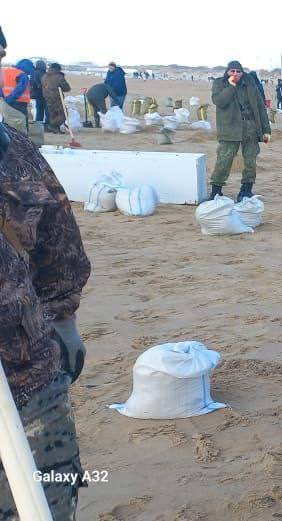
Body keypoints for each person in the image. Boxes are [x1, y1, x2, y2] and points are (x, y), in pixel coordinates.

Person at [0, 25, 91, 519]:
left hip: (31, 381)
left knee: (50, 503)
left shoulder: (13, 150)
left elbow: (59, 249)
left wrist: (64, 322)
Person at [209, 60, 271, 201]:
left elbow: (260, 107)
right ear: (227, 72)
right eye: (232, 71)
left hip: (251, 127)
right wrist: (231, 86)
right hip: (230, 128)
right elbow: (219, 101)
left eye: (238, 71)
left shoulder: (250, 84)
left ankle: (246, 190)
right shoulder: (220, 83)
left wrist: (266, 130)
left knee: (250, 160)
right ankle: (216, 191)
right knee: (224, 159)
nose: (236, 74)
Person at [2, 58, 35, 124]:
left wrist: (4, 100)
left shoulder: (4, 71)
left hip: (5, 102)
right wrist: (9, 100)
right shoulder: (22, 74)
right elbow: (20, 89)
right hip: (19, 104)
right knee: (21, 124)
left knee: (6, 122)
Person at [41, 63, 71, 133]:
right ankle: (52, 125)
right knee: (63, 114)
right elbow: (67, 88)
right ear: (58, 69)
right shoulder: (59, 77)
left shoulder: (44, 76)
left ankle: (55, 129)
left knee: (53, 114)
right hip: (56, 97)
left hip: (46, 97)